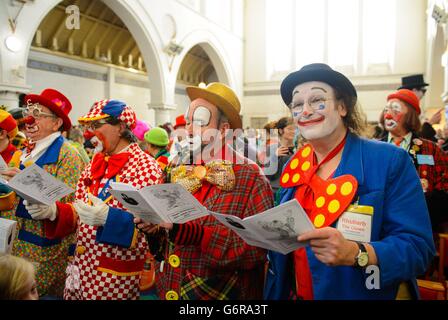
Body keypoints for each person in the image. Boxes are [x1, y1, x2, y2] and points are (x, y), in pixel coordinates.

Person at [264, 63, 435, 300]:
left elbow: (418, 249)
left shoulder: (389, 161)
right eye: (297, 104)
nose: (305, 111)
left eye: (316, 100)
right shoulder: (296, 164)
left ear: (342, 106)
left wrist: (357, 253)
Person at [135, 82, 274, 300]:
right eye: (188, 121)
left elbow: (258, 248)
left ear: (224, 129)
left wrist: (197, 235)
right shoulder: (175, 167)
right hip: (168, 287)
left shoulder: (252, 178)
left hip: (219, 294)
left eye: (199, 122)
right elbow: (166, 238)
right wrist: (153, 228)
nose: (189, 129)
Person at [27, 99, 163, 300]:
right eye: (88, 126)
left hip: (117, 281)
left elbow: (153, 232)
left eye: (97, 125)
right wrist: (55, 211)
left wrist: (110, 219)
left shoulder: (147, 168)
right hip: (81, 273)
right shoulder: (94, 164)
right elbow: (80, 210)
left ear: (121, 127)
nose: (89, 133)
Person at [0, 88, 85, 298]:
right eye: (29, 111)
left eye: (38, 113)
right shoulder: (23, 152)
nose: (29, 118)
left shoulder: (69, 157)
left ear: (56, 123)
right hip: (14, 244)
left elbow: (72, 207)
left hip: (42, 251)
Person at [379, 89, 448, 232]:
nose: (388, 114)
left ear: (410, 115)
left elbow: (445, 189)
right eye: (386, 109)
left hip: (419, 228)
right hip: (380, 230)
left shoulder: (432, 150)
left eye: (395, 109)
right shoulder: (374, 149)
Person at [265, 117, 297, 198]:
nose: (293, 132)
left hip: (294, 191)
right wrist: (274, 157)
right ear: (280, 130)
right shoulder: (272, 148)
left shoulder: (299, 149)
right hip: (277, 192)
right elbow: (267, 174)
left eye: (295, 129)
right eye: (290, 129)